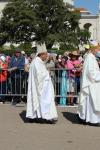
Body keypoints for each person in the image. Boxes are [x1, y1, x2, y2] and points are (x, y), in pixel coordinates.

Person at [26, 43, 58, 124]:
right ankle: (43, 116)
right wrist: (47, 73)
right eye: (46, 54)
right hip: (41, 87)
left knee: (40, 101)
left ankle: (38, 116)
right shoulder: (37, 62)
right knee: (43, 101)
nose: (47, 56)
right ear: (42, 54)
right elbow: (39, 75)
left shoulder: (37, 61)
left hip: (41, 86)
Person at [78, 45, 100, 125]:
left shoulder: (92, 57)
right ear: (94, 49)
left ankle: (90, 118)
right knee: (92, 102)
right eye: (98, 49)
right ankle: (92, 120)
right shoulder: (90, 58)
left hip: (93, 84)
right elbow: (91, 73)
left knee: (92, 102)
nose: (99, 51)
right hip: (91, 84)